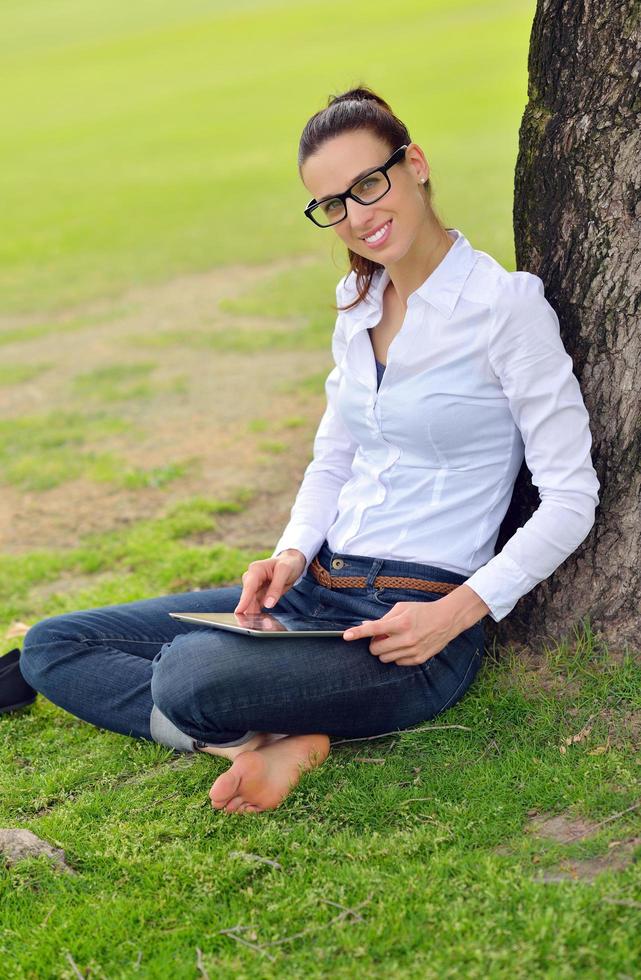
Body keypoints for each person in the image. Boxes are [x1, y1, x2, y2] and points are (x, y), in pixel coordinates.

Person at [17, 86, 600, 815]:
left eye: (367, 184)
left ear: (413, 164)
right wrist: (290, 553)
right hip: (314, 589)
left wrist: (457, 613)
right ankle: (250, 744)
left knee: (189, 676)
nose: (357, 216)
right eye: (333, 203)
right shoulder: (355, 306)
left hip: (409, 626)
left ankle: (239, 711)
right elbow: (334, 456)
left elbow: (571, 495)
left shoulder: (503, 307)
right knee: (54, 645)